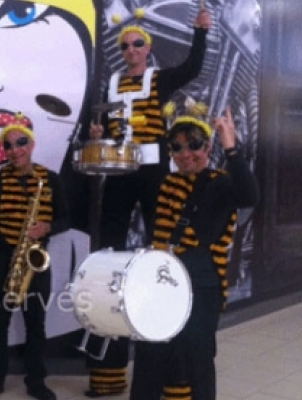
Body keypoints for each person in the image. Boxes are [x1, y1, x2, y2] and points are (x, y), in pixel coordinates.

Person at [85, 6, 212, 397]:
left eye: (137, 44)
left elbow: (192, 67)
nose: (131, 50)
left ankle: (171, 361)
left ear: (148, 47)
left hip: (155, 171)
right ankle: (108, 367)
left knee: (164, 252)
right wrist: (96, 132)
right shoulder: (111, 84)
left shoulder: (159, 79)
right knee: (109, 254)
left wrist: (200, 32)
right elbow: (101, 125)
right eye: (125, 45)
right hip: (120, 172)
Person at [130, 107, 259, 399]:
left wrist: (231, 147)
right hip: (161, 281)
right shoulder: (168, 183)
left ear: (208, 147)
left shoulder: (221, 183)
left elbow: (250, 196)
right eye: (177, 147)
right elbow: (157, 233)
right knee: (150, 354)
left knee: (198, 358)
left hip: (201, 283)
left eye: (194, 145)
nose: (185, 154)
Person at [0, 118, 69, 400]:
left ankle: (36, 382)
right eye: (9, 146)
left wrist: (47, 227)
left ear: (32, 144)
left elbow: (65, 219)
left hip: (36, 259)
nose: (15, 150)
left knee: (36, 325)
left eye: (21, 143)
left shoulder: (51, 179)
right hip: (2, 258)